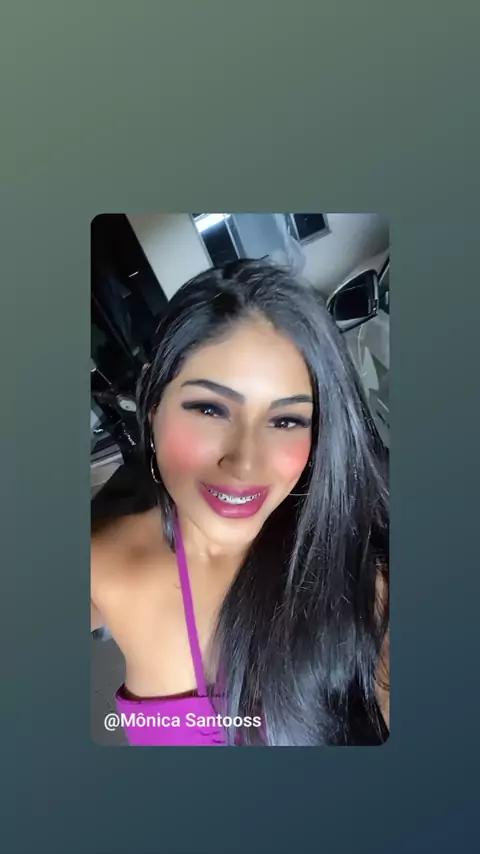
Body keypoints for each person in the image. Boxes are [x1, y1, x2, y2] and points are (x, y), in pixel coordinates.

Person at [91, 259, 389, 746]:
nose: (246, 464)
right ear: (152, 409)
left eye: (286, 421)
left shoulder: (362, 583)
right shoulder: (105, 562)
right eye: (210, 409)